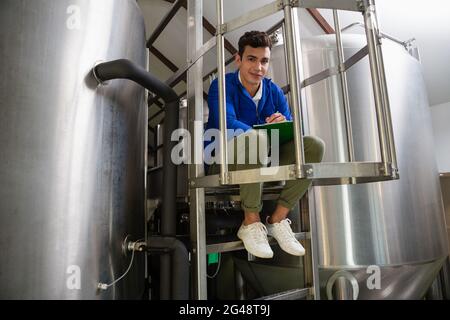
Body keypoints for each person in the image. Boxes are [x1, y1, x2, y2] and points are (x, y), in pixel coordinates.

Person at [205, 31, 324, 258]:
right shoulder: (222, 85)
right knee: (255, 138)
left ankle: (278, 219)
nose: (258, 67)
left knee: (313, 145)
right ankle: (250, 222)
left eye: (264, 61)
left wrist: (285, 123)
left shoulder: (274, 91)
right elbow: (226, 123)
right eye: (252, 59)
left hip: (265, 159)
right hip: (223, 160)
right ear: (238, 59)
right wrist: (265, 133)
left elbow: (292, 133)